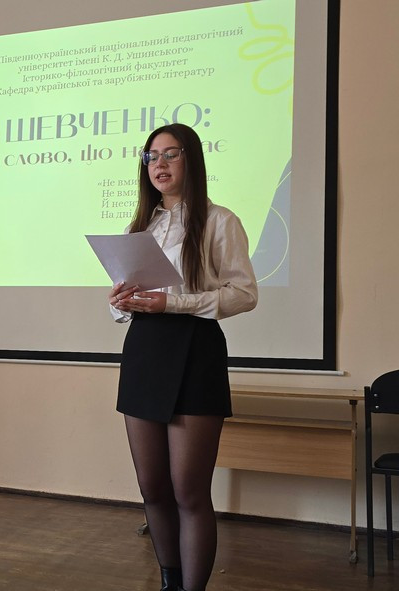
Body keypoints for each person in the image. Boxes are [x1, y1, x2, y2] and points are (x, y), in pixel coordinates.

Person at [107, 124, 258, 591]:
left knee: (188, 491)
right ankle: (170, 583)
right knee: (152, 487)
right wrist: (120, 302)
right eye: (152, 156)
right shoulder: (140, 227)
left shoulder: (219, 220)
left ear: (191, 159)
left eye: (171, 154)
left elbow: (244, 294)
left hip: (195, 351)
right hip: (145, 351)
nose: (160, 164)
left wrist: (172, 303)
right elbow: (128, 301)